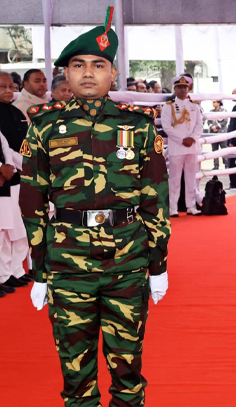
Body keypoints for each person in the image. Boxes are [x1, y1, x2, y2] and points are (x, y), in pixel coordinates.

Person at [19, 7, 171, 406]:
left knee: (128, 370)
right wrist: (39, 268)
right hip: (68, 263)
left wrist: (159, 263)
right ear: (65, 75)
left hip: (128, 260)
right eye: (78, 65)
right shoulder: (44, 125)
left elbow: (156, 196)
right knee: (75, 374)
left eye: (98, 64)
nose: (88, 72)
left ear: (113, 74)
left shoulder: (138, 124)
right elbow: (32, 197)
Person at [0, 72, 32, 293]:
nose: (8, 90)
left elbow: (17, 145)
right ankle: (3, 274)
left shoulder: (15, 111)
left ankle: (12, 271)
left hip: (16, 175)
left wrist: (26, 165)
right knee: (4, 230)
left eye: (11, 86)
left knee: (16, 229)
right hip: (6, 175)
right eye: (2, 87)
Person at [161, 75, 203, 216]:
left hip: (192, 146)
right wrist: (182, 139)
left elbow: (199, 125)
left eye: (185, 87)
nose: (183, 90)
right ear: (175, 88)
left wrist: (192, 138)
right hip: (177, 147)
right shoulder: (169, 106)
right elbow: (166, 126)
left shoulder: (194, 105)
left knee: (191, 178)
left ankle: (191, 206)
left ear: (188, 88)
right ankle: (173, 208)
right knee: (174, 180)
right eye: (180, 87)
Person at [206, 99, 228, 170]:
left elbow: (225, 121)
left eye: (214, 102)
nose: (213, 103)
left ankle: (226, 164)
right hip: (213, 134)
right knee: (214, 150)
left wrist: (217, 126)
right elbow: (208, 121)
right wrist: (211, 126)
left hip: (221, 133)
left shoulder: (224, 111)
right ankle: (216, 165)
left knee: (223, 149)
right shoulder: (211, 111)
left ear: (219, 103)